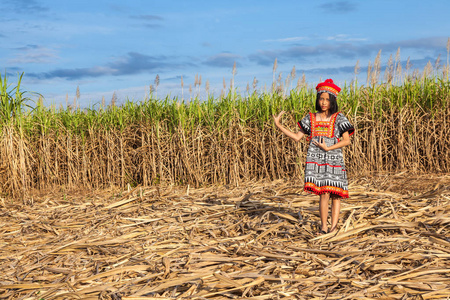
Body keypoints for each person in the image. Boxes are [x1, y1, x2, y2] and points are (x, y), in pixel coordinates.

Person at [273, 79, 355, 235]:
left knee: (336, 194)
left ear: (332, 101)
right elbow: (297, 137)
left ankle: (334, 228)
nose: (323, 102)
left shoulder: (339, 118)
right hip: (317, 159)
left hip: (334, 158)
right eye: (321, 98)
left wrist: (328, 147)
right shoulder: (310, 118)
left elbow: (347, 140)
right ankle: (324, 228)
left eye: (327, 99)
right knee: (323, 193)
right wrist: (279, 126)